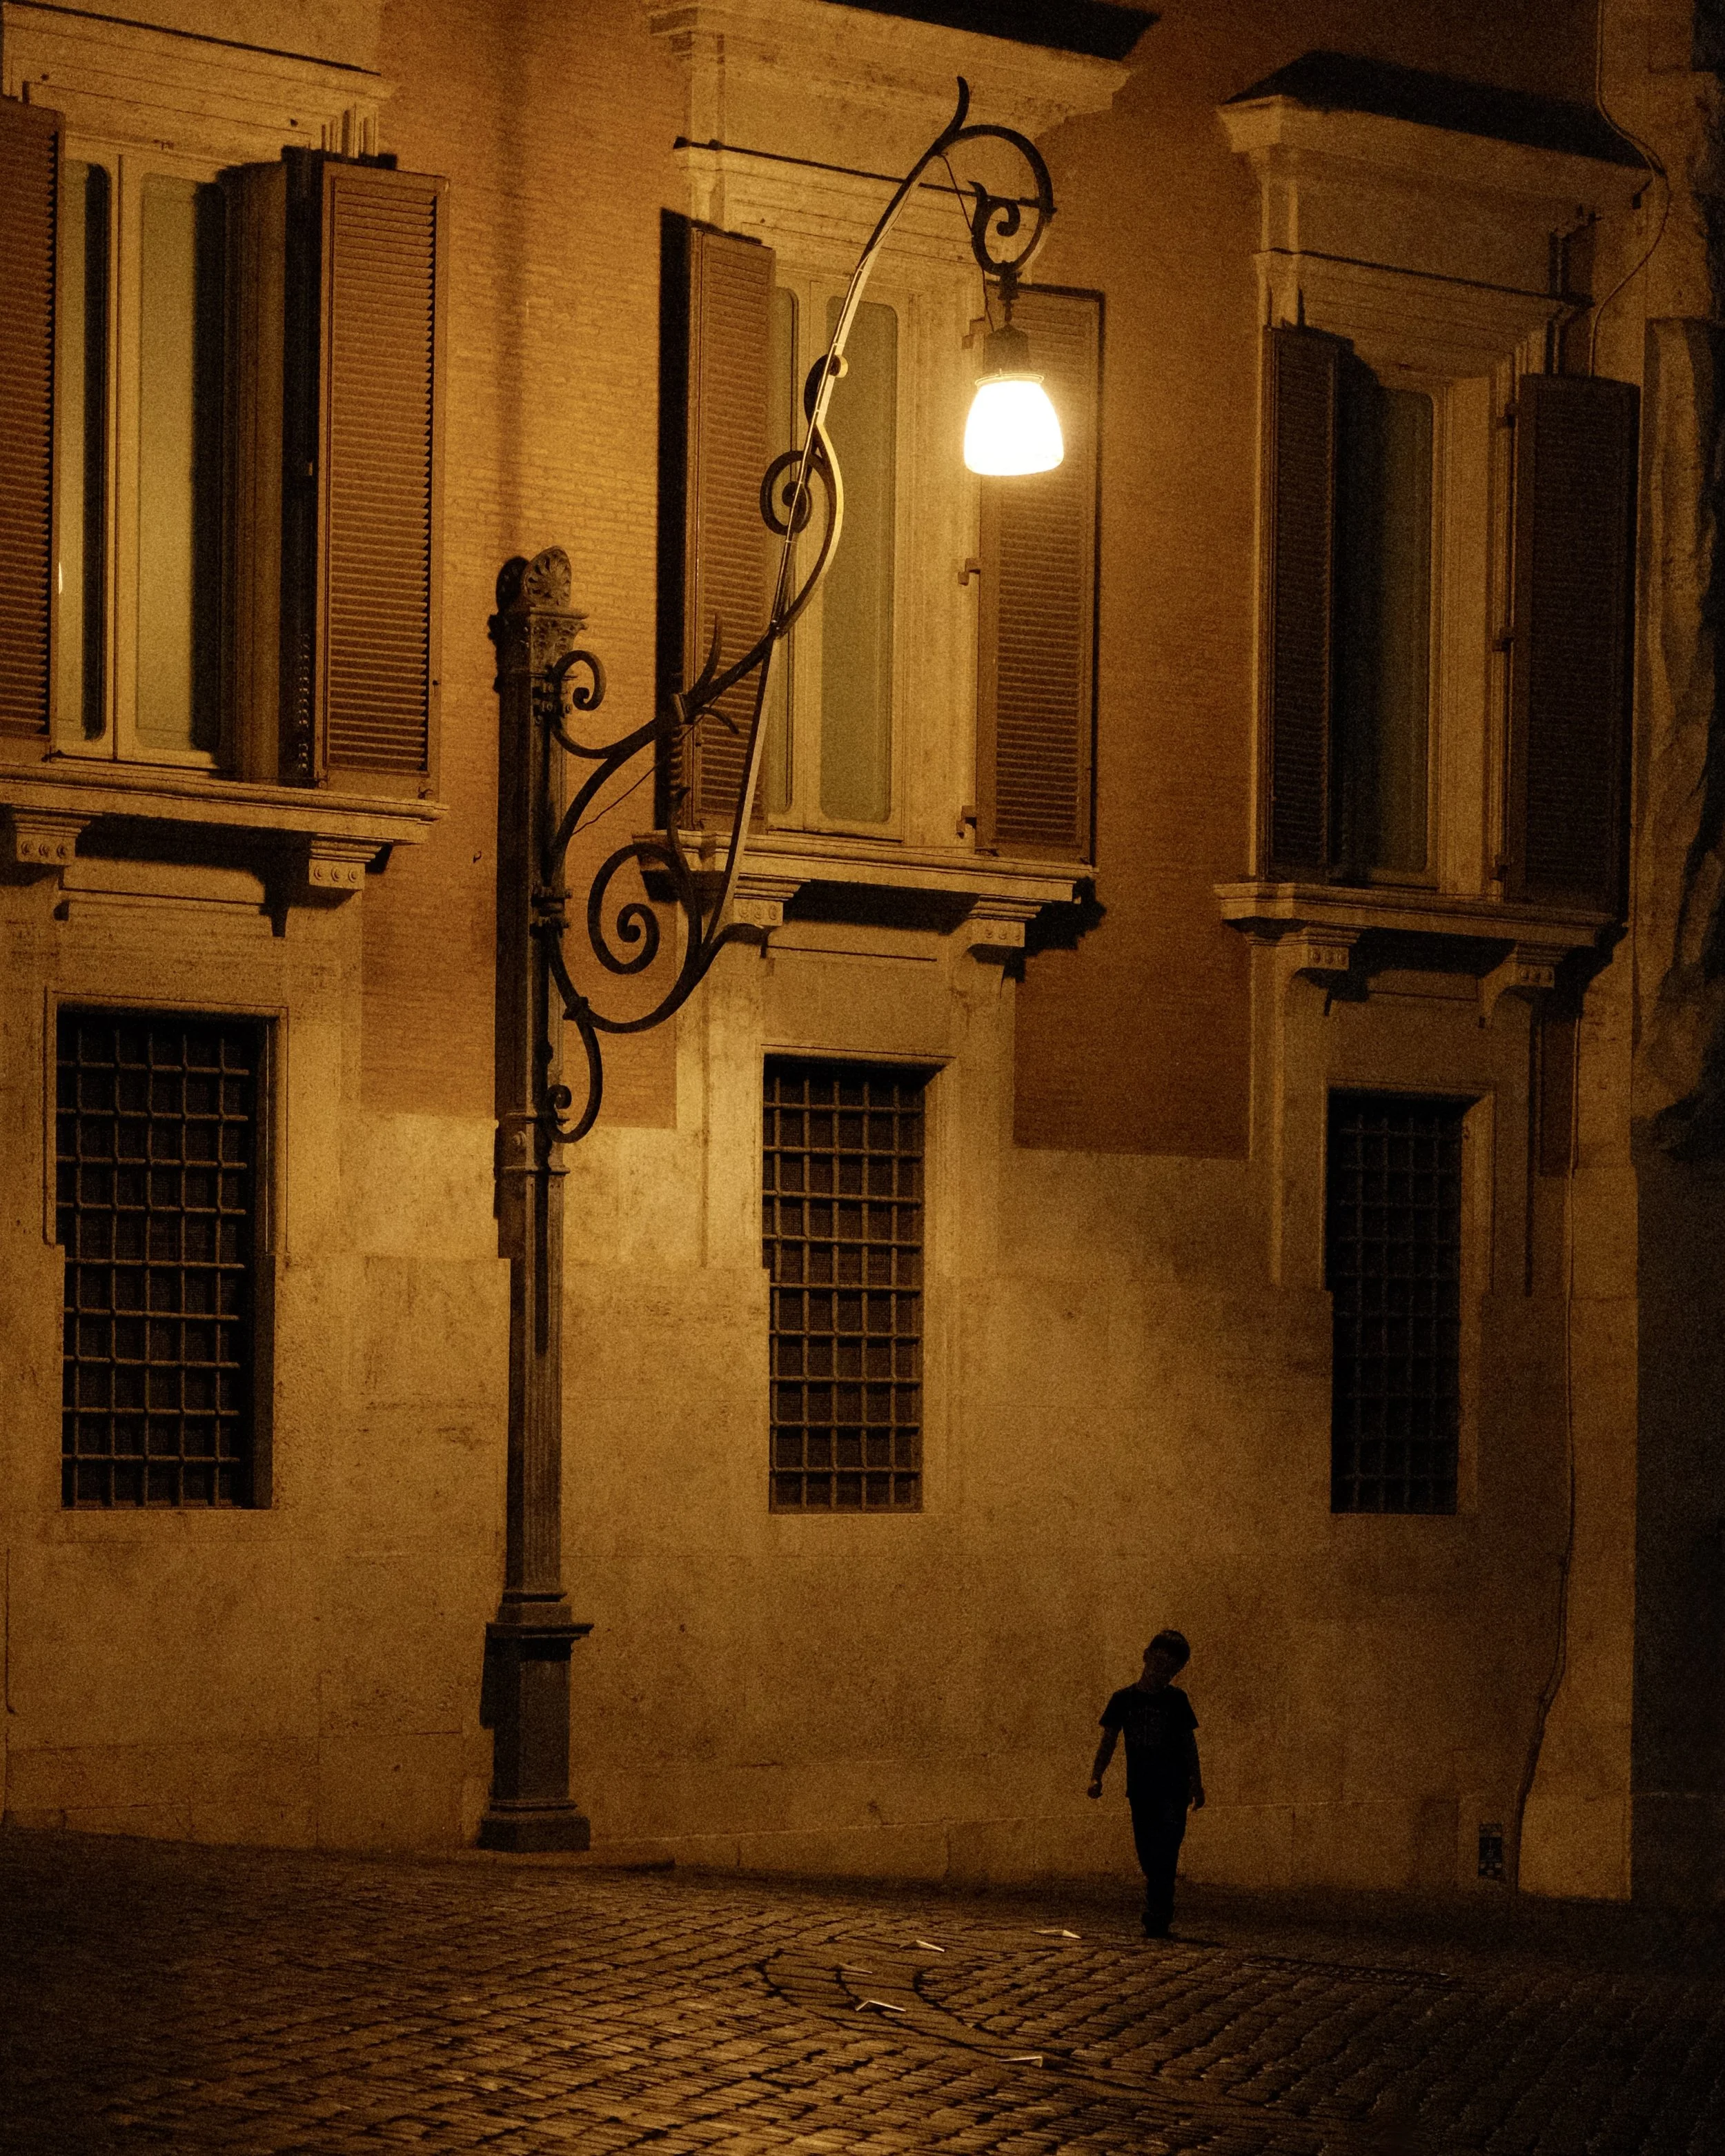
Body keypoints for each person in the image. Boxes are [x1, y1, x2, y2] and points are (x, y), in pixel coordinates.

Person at [1087, 1629, 1204, 1937]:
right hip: (1141, 1790)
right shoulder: (1123, 1700)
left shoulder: (1178, 1701)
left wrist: (1196, 1782)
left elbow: (1188, 1744)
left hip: (1173, 1790)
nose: (1163, 1674)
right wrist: (1097, 1775)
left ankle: (1158, 1913)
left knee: (1167, 1850)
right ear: (1147, 1657)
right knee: (1148, 1852)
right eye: (1161, 1665)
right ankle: (1158, 1906)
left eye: (1171, 1670)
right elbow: (1108, 1742)